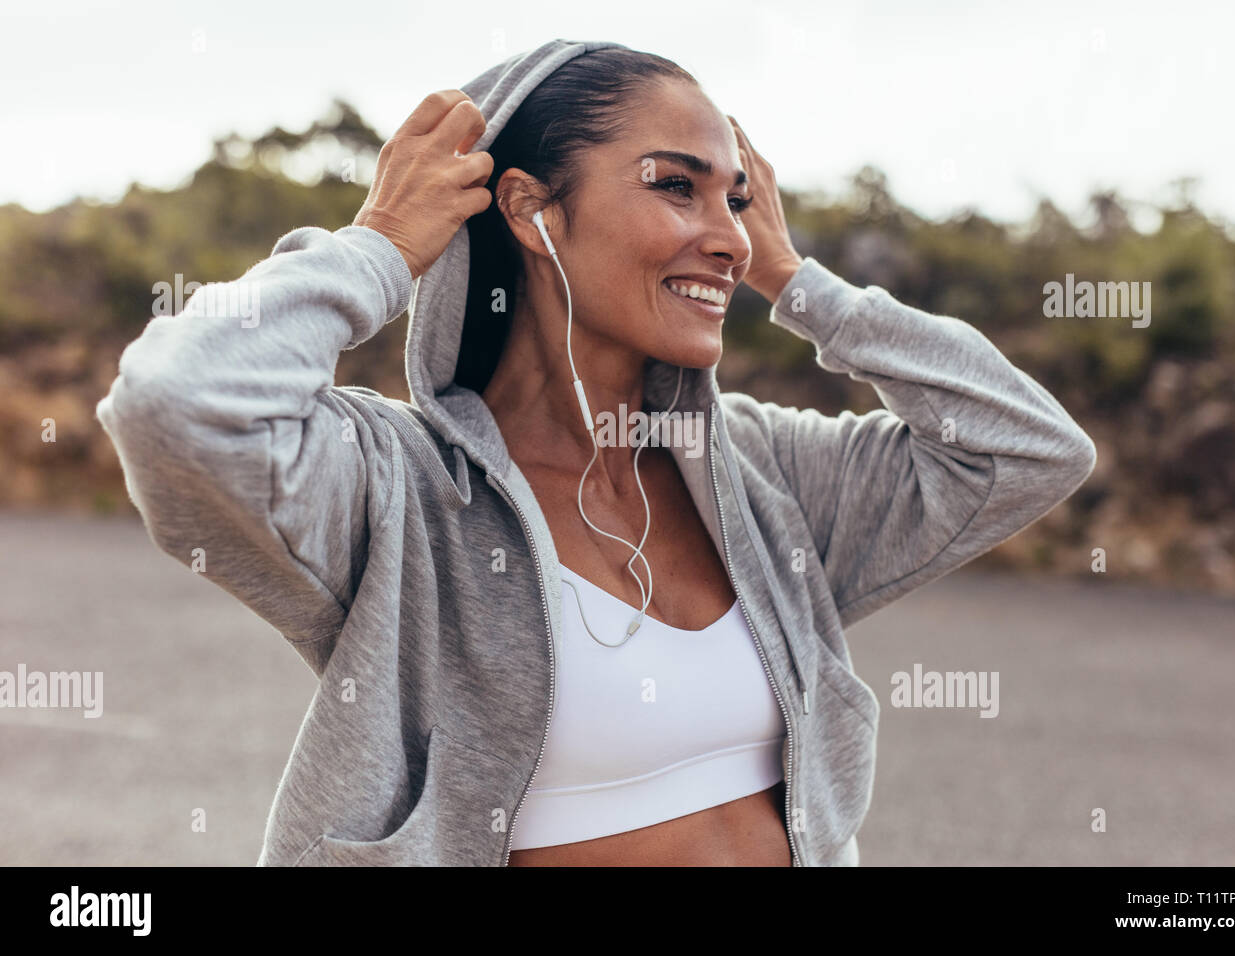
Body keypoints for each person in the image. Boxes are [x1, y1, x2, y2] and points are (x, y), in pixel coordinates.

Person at [95, 39, 1096, 867]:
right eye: (677, 188)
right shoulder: (395, 491)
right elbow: (176, 403)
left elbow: (1028, 448)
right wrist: (378, 249)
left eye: (737, 201)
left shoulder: (759, 475)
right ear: (533, 209)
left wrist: (800, 282)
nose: (730, 238)